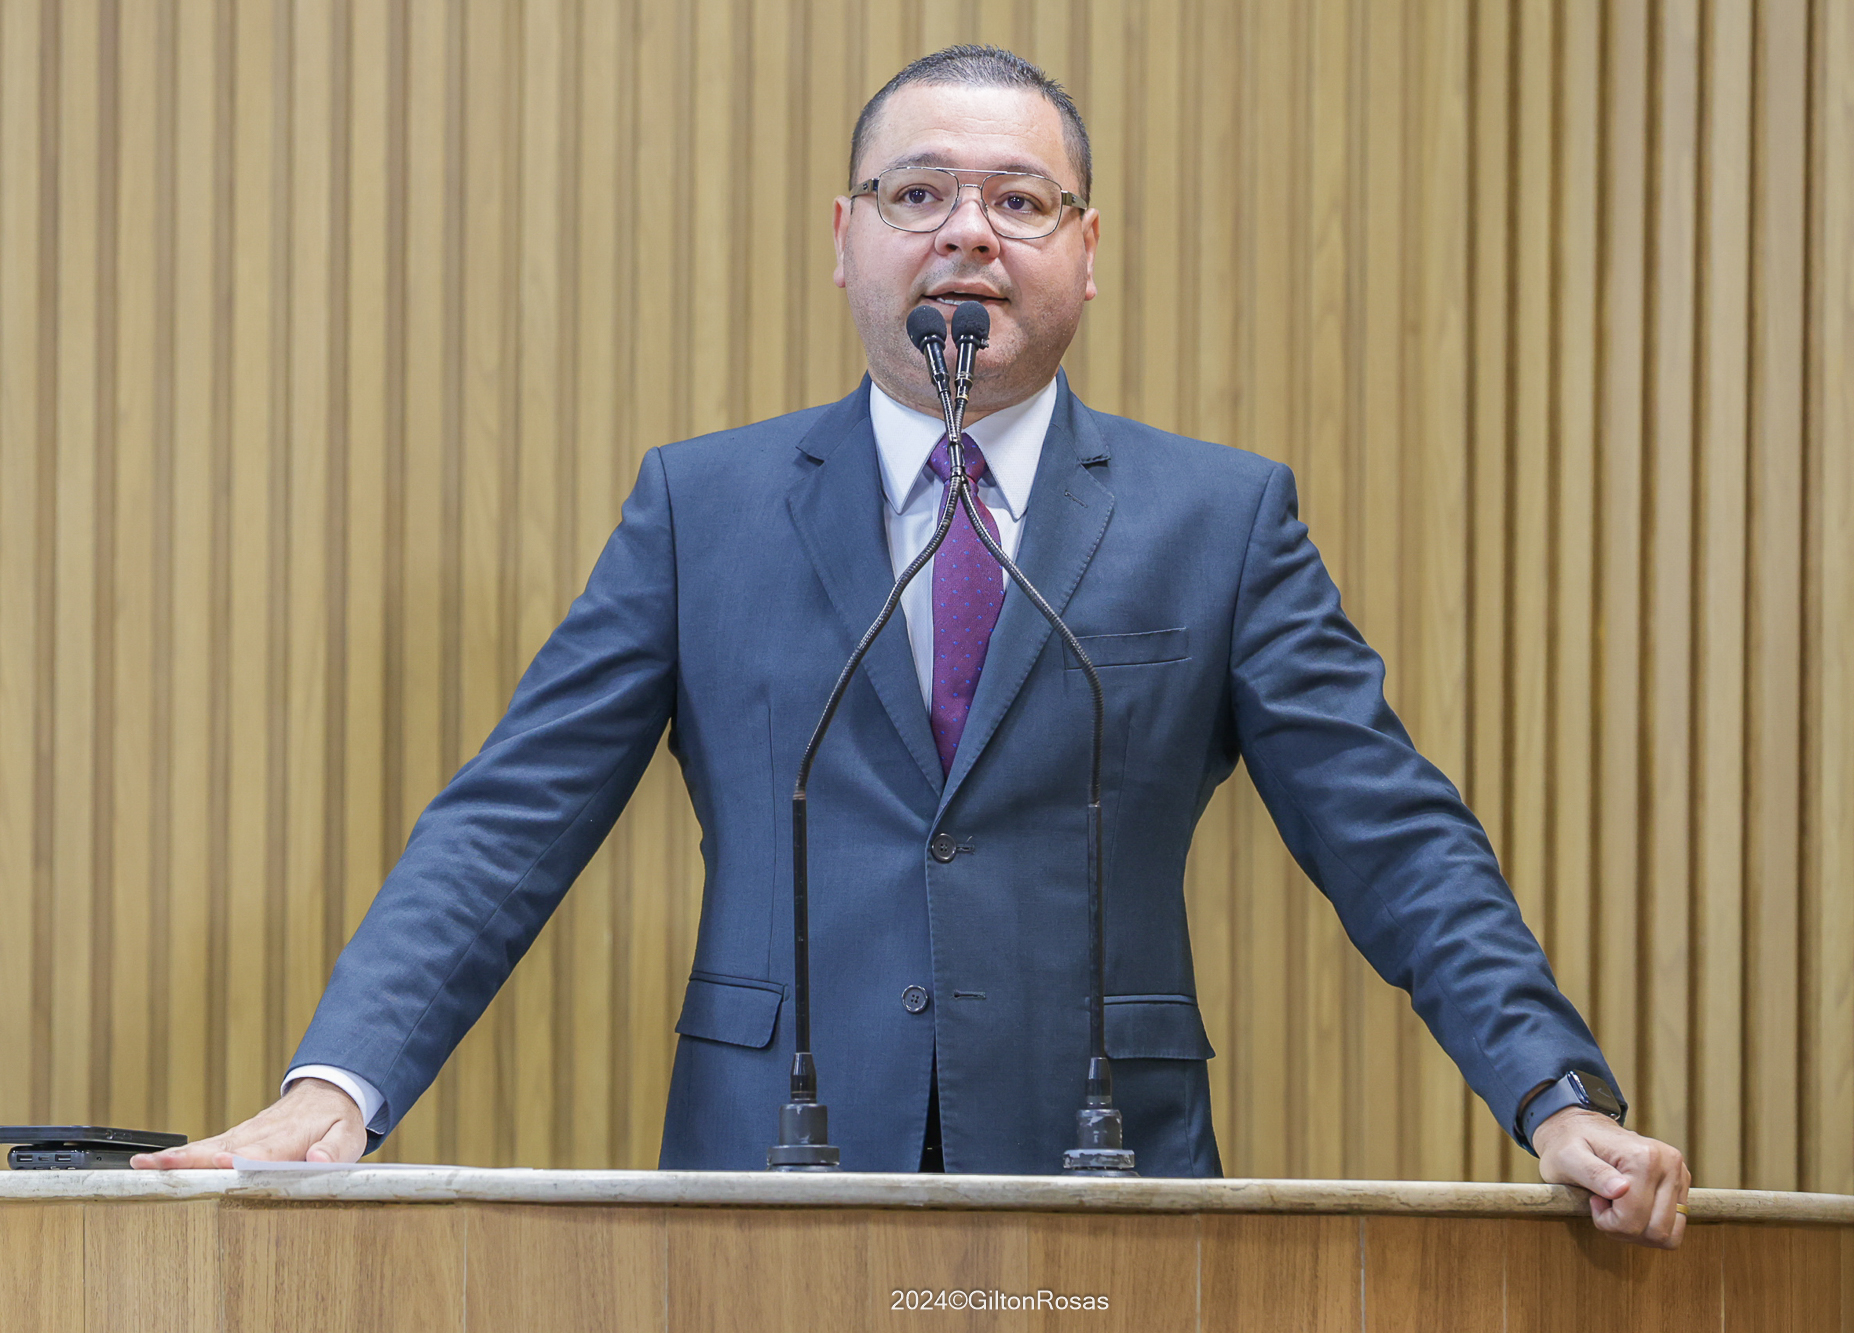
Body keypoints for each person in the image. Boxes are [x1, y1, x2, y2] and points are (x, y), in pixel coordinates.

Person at [136, 45, 1690, 1249]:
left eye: (1021, 202)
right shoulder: (702, 508)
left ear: (1088, 249)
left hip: (1103, 1187)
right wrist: (337, 1089)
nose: (968, 236)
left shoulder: (1219, 521)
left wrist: (1552, 1094)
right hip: (768, 1181)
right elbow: (510, 819)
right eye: (918, 195)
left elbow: (1394, 836)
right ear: (845, 237)